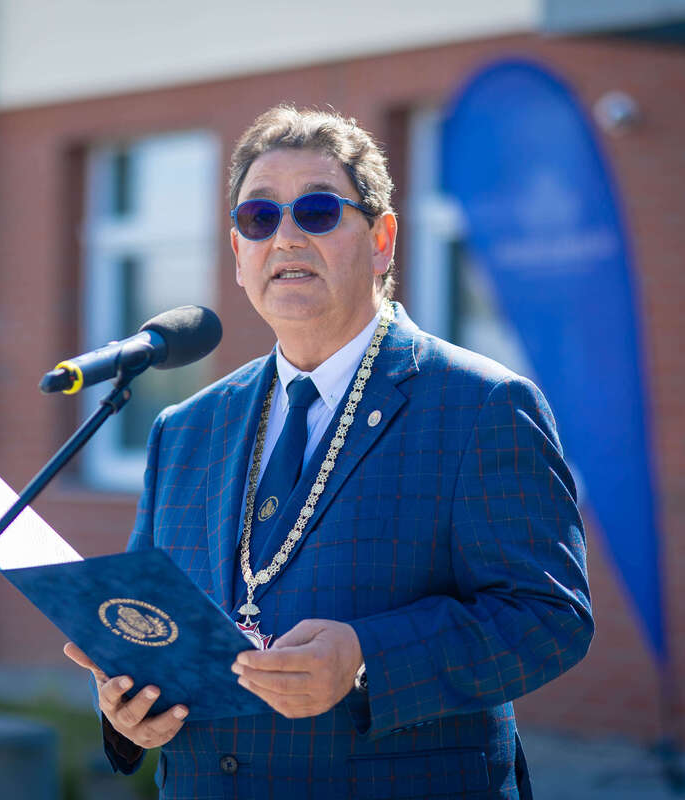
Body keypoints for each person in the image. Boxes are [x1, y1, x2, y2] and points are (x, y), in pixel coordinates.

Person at [65, 105, 593, 799]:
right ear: (238, 253)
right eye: (259, 218)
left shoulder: (480, 404)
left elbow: (549, 618)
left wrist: (367, 658)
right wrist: (129, 708)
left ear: (382, 240)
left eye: (316, 212)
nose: (285, 236)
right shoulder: (186, 427)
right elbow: (148, 622)